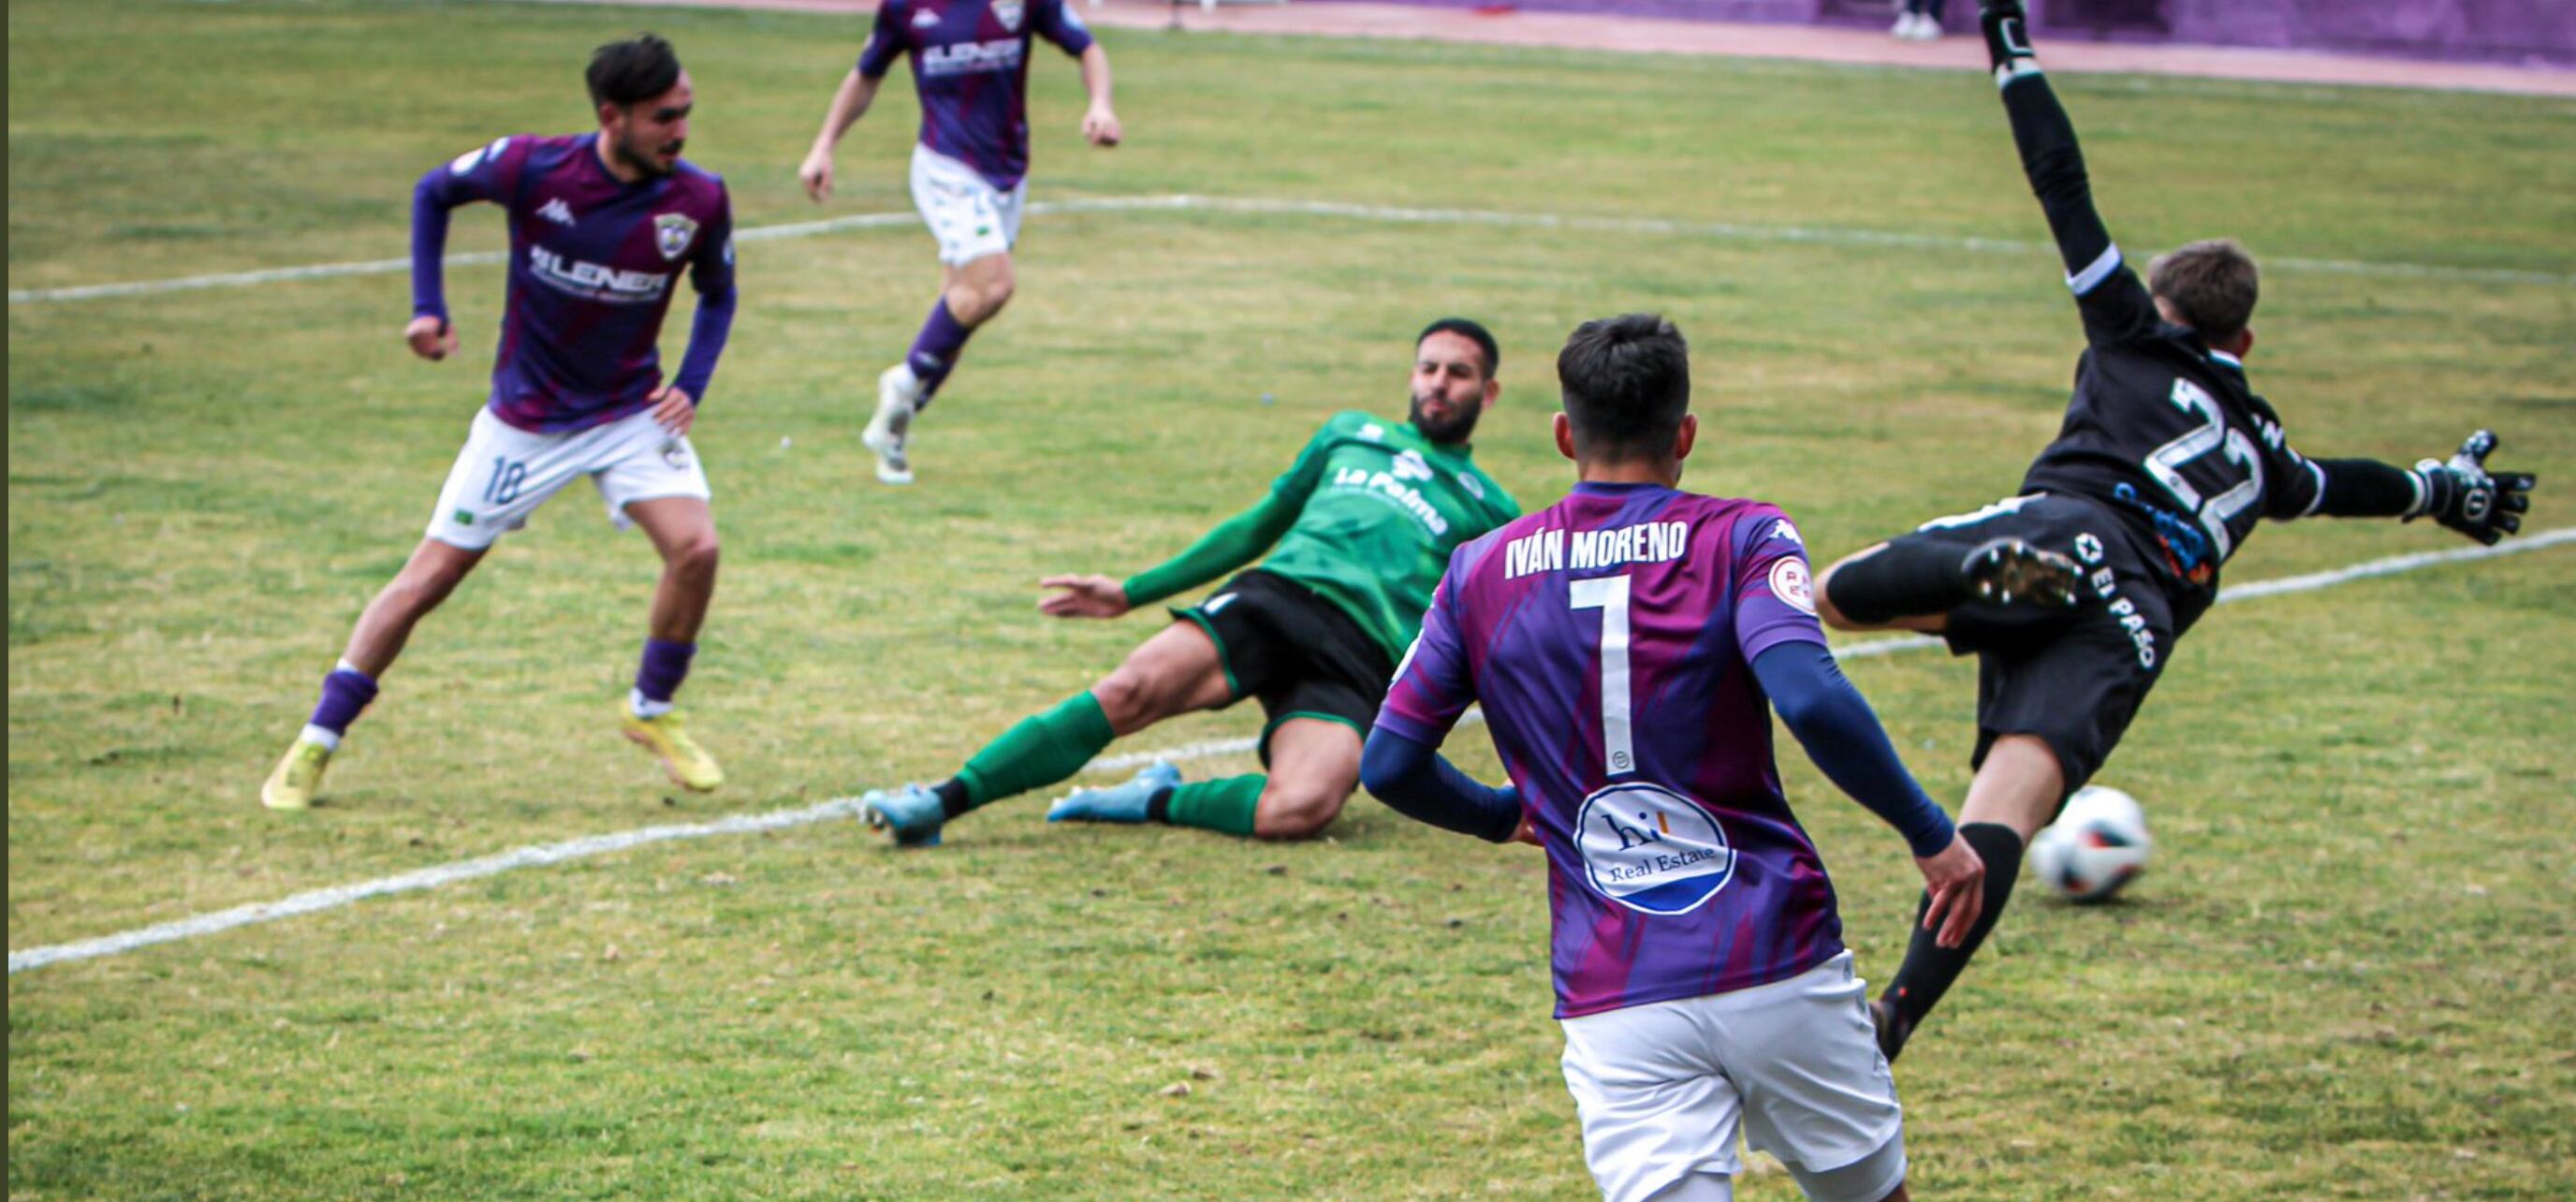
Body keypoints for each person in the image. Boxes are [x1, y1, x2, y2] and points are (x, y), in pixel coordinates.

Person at [1815, 0, 2538, 1062]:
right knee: (2006, 810)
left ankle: (1967, 577)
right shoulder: (2265, 451)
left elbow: (2061, 185)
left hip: (2072, 529)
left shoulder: (2131, 335)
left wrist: (2011, 51)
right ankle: (1899, 1014)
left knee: (1830, 592)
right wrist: (2439, 491)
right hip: (2135, 618)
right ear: (2247, 336)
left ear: (2162, 302)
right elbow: (2342, 485)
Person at [1363, 314, 1986, 1202]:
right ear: (1685, 433)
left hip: (1616, 989)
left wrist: (1502, 814)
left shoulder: (1480, 569)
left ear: (1564, 434)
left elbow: (1388, 765)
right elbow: (1810, 696)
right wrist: (1930, 832)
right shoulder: (1744, 537)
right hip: (1776, 954)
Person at [259, 34, 739, 810]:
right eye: (664, 118)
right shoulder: (533, 167)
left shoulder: (698, 199)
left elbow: (717, 292)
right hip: (527, 423)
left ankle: (650, 710)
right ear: (612, 116)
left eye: (685, 114)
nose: (680, 131)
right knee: (429, 579)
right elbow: (431, 192)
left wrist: (692, 382)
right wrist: (428, 307)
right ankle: (317, 740)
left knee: (697, 548)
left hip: (627, 411)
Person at [857, 319, 1522, 846]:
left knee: (1301, 808)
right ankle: (938, 801)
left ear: (1486, 392)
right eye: (1429, 368)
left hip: (1362, 658)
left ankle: (1153, 797)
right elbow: (1254, 527)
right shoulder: (1352, 434)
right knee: (1127, 691)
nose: (1439, 384)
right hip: (1275, 598)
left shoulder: (1494, 511)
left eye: (1459, 374)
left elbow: (1497, 649)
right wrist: (1129, 592)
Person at [797, 0, 1120, 485]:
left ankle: (894, 429)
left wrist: (1100, 103)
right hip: (945, 167)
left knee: (964, 306)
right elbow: (865, 76)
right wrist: (824, 145)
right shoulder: (906, 8)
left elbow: (1088, 48)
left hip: (1008, 172)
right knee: (993, 285)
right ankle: (902, 384)